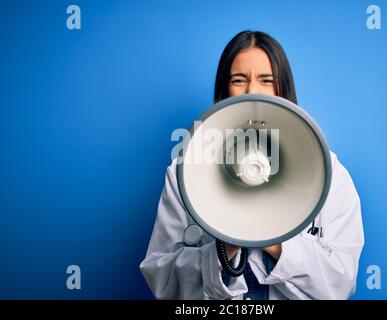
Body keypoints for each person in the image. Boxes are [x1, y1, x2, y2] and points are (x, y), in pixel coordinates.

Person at [140, 30, 364, 300]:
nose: (252, 91)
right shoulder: (186, 170)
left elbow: (341, 283)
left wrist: (276, 239)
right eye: (238, 79)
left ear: (284, 88)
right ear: (224, 91)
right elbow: (161, 279)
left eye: (266, 80)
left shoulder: (329, 172)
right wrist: (223, 250)